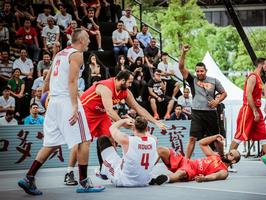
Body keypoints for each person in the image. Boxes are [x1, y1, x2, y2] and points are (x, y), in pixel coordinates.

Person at [18, 28, 105, 195]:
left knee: (50, 144)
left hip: (53, 102)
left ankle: (29, 177)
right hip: (67, 101)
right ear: (80, 40)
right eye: (87, 38)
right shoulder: (77, 54)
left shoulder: (59, 55)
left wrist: (44, 99)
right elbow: (72, 82)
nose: (89, 41)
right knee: (85, 140)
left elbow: (47, 79)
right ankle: (85, 182)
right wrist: (74, 107)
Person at [79, 70, 166, 176]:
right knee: (83, 143)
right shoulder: (106, 87)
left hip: (101, 114)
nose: (130, 85)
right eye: (129, 82)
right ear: (122, 80)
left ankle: (105, 168)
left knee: (111, 137)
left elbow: (138, 108)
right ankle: (70, 172)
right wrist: (122, 122)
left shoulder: (125, 92)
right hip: (86, 111)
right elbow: (110, 111)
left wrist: (155, 122)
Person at [179, 45, 227, 158]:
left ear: (206, 70)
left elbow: (224, 93)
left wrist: (217, 101)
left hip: (210, 113)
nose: (199, 73)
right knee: (192, 138)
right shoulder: (192, 80)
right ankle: (186, 161)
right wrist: (183, 53)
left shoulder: (214, 80)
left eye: (201, 71)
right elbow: (181, 67)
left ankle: (223, 159)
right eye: (197, 71)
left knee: (217, 138)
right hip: (196, 113)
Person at [151, 134, 241, 185]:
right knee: (161, 150)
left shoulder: (224, 171)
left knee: (181, 173)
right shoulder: (216, 156)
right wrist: (215, 137)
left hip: (192, 170)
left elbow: (215, 176)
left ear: (233, 161)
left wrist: (204, 178)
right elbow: (202, 143)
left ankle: (164, 179)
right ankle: (146, 172)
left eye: (231, 155)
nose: (227, 154)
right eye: (229, 152)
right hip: (184, 161)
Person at [229, 58, 266, 159]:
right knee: (239, 136)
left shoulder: (259, 78)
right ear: (260, 65)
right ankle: (225, 162)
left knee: (264, 137)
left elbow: (261, 94)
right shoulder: (252, 76)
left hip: (256, 110)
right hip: (248, 110)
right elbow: (248, 95)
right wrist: (254, 111)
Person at [99, 117, 158, 186]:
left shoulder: (127, 140)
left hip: (124, 181)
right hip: (145, 181)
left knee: (102, 139)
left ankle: (103, 171)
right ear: (147, 129)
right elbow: (146, 134)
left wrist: (124, 121)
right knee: (122, 161)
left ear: (133, 128)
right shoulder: (153, 140)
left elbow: (112, 128)